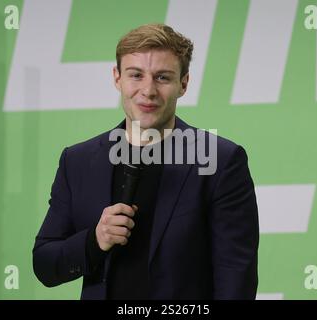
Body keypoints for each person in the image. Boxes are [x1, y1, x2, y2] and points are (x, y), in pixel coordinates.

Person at [33, 23, 259, 300]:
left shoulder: (221, 161)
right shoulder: (78, 161)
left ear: (183, 84)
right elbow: (45, 264)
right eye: (136, 75)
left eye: (162, 77)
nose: (148, 90)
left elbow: (236, 277)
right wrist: (95, 240)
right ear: (117, 78)